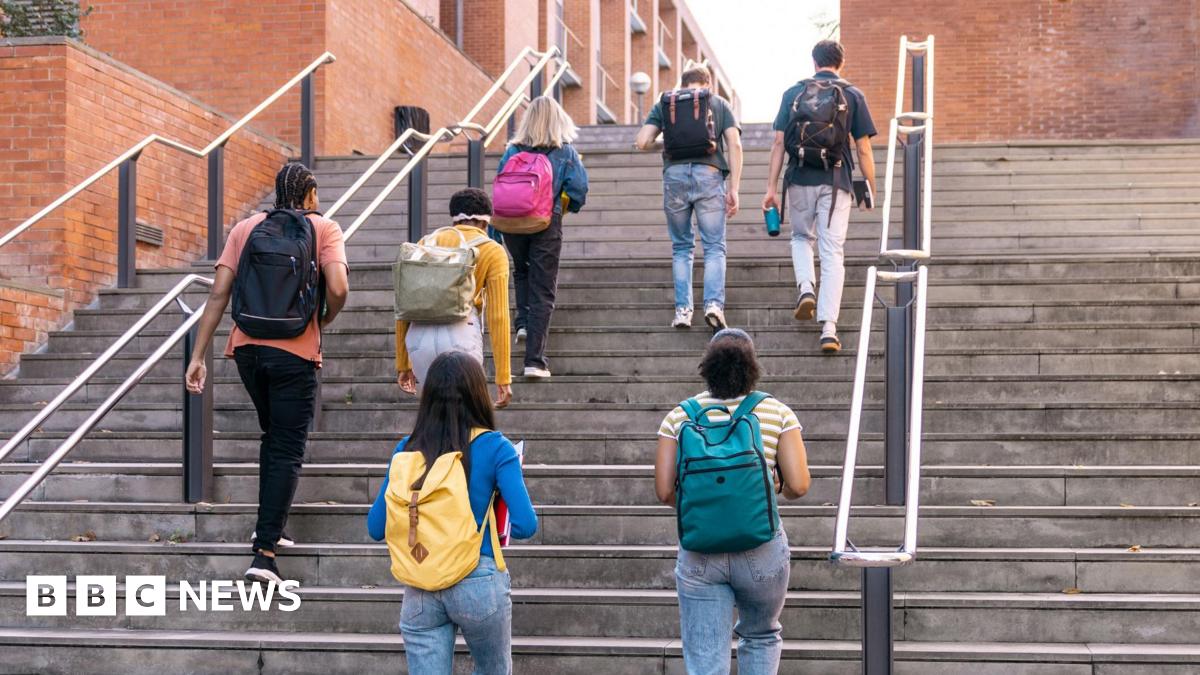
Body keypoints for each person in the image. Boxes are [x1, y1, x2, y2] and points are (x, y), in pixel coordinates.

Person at [185, 162, 350, 583]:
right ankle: (264, 556)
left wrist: (198, 355)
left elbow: (219, 293)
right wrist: (323, 320)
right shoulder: (324, 229)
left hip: (247, 350)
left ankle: (269, 523)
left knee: (272, 438)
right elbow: (339, 288)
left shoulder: (245, 228)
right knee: (286, 447)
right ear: (310, 194)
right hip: (295, 352)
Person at [367, 352, 537, 675]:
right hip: (478, 579)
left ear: (428, 396)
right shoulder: (496, 447)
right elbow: (527, 524)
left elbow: (376, 527)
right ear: (477, 394)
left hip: (420, 585)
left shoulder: (406, 449)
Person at [655, 328, 811, 674]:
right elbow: (799, 486)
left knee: (706, 659)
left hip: (700, 551)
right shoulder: (776, 412)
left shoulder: (679, 417)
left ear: (707, 365)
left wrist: (708, 503)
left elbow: (665, 491)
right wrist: (770, 487)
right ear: (752, 365)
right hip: (761, 548)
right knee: (760, 634)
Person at [762, 39, 877, 353]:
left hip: (798, 178)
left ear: (814, 62)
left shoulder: (793, 93)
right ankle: (828, 329)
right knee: (832, 251)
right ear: (841, 63)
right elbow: (863, 147)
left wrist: (771, 189)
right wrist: (870, 184)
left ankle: (805, 288)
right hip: (836, 180)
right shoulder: (852, 94)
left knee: (801, 237)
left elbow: (777, 144)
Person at [635, 60, 743, 331]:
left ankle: (683, 311)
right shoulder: (717, 103)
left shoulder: (666, 103)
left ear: (683, 84)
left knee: (682, 247)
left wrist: (669, 142)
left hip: (675, 177)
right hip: (709, 174)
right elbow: (735, 144)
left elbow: (642, 142)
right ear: (707, 84)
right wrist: (734, 188)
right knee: (714, 246)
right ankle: (713, 305)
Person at [395, 188, 513, 408]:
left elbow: (404, 303)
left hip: (419, 336)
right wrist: (503, 377)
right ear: (486, 223)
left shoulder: (424, 243)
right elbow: (499, 316)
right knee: (464, 415)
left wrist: (403, 363)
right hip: (461, 333)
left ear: (454, 218)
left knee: (432, 414)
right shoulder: (492, 250)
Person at [498, 95, 589, 380]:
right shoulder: (565, 152)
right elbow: (578, 191)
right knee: (543, 289)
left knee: (521, 271)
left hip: (511, 222)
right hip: (545, 221)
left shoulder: (511, 150)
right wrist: (564, 207)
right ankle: (534, 361)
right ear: (557, 120)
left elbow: (500, 184)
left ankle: (523, 322)